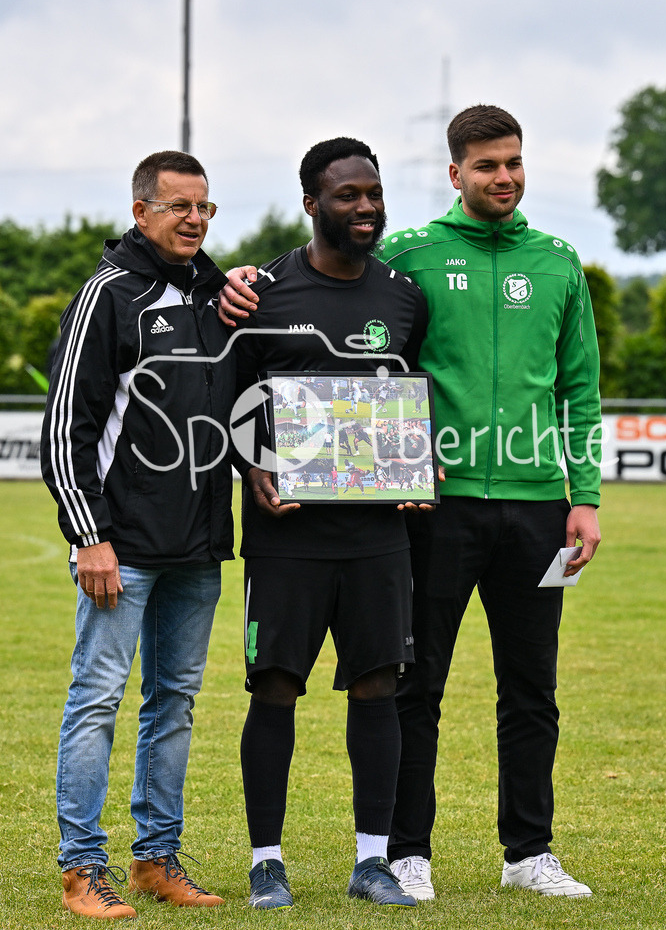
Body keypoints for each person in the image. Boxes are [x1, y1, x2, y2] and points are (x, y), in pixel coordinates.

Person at [219, 105, 602, 902]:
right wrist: (237, 279)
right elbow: (327, 285)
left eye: (515, 163)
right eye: (487, 165)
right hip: (433, 507)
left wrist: (586, 498)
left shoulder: (560, 261)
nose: (505, 177)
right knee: (411, 683)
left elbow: (581, 389)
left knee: (534, 686)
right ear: (455, 173)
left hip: (538, 508)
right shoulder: (410, 257)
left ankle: (529, 852)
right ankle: (405, 851)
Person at [231, 137, 428, 910]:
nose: (367, 207)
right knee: (275, 686)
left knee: (378, 686)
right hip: (287, 539)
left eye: (374, 193)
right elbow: (229, 403)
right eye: (348, 195)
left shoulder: (404, 297)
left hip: (379, 536)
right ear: (312, 204)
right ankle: (266, 862)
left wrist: (421, 466)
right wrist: (255, 468)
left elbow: (416, 395)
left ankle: (373, 861)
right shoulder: (262, 293)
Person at [41, 150, 234, 920]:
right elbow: (66, 428)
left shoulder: (214, 294)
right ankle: (81, 871)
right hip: (120, 548)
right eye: (178, 206)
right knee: (97, 700)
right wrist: (90, 535)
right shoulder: (108, 295)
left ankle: (156, 859)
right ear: (140, 211)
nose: (193, 219)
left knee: (175, 704)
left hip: (199, 546)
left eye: (205, 207)